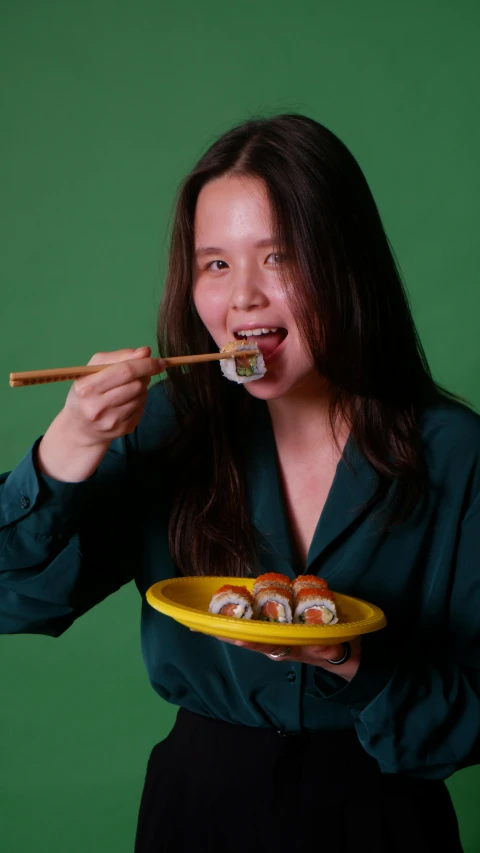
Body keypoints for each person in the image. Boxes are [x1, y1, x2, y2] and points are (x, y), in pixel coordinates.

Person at [1, 114, 479, 853]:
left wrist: (350, 661)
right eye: (215, 264)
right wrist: (66, 450)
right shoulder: (165, 429)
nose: (244, 298)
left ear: (344, 262)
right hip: (198, 816)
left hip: (384, 820)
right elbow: (12, 594)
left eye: (279, 256)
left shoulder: (454, 451)